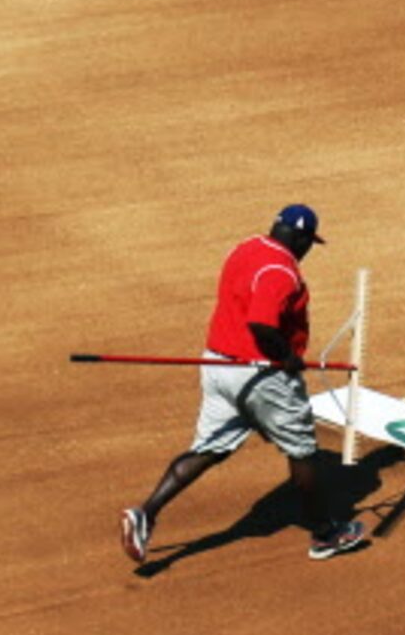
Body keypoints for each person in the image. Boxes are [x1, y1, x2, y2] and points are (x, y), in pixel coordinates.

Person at [119, 206, 371, 565]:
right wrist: (287, 356)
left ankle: (146, 513)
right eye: (309, 243)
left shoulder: (246, 248)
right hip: (261, 376)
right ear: (300, 238)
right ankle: (326, 533)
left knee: (209, 448)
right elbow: (262, 325)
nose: (307, 250)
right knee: (303, 452)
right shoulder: (281, 272)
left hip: (218, 364)